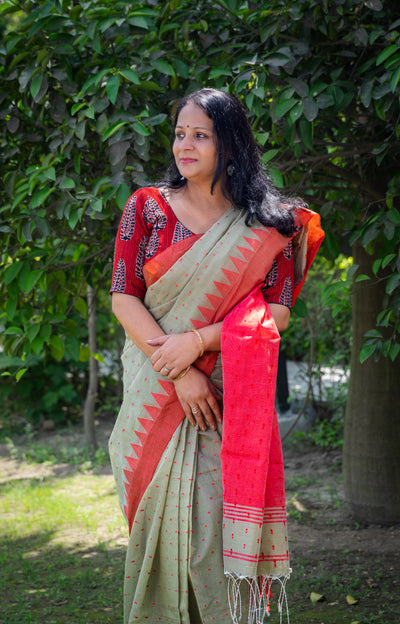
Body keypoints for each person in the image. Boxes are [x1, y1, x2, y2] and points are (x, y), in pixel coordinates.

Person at [109, 87, 324, 624]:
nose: (185, 144)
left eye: (200, 135)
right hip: (155, 394)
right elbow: (122, 295)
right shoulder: (149, 208)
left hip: (226, 399)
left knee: (210, 536)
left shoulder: (266, 225)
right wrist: (180, 370)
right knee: (159, 529)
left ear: (230, 143)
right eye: (180, 133)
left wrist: (200, 343)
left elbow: (276, 313)